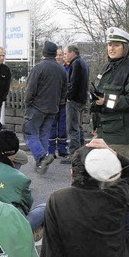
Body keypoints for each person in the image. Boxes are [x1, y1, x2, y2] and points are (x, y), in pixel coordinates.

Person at [90, 27, 129, 160]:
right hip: (104, 132)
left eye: (116, 45)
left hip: (120, 136)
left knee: (118, 176)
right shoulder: (107, 68)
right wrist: (95, 126)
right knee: (102, 174)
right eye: (109, 45)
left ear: (125, 48)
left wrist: (106, 100)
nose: (111, 49)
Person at [23, 41, 67, 175]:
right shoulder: (61, 69)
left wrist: (27, 102)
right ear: (54, 53)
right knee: (44, 134)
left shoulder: (39, 67)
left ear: (43, 52)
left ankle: (42, 156)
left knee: (29, 133)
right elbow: (65, 90)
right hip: (53, 108)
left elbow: (30, 88)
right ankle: (41, 163)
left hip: (37, 107)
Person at [0, 130, 42, 232]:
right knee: (44, 208)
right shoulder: (21, 179)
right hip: (11, 228)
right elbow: (26, 206)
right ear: (16, 151)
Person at [62, 44, 90, 164]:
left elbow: (73, 83)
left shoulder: (76, 64)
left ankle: (74, 155)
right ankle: (82, 152)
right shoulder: (83, 62)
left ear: (72, 52)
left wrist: (68, 97)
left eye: (65, 53)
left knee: (73, 128)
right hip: (82, 99)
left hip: (74, 100)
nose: (64, 56)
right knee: (78, 127)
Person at [47, 47, 69, 160]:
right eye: (57, 55)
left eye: (61, 55)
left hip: (63, 102)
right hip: (52, 102)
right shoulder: (51, 68)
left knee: (63, 127)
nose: (59, 57)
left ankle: (62, 149)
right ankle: (51, 150)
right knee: (52, 126)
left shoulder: (67, 68)